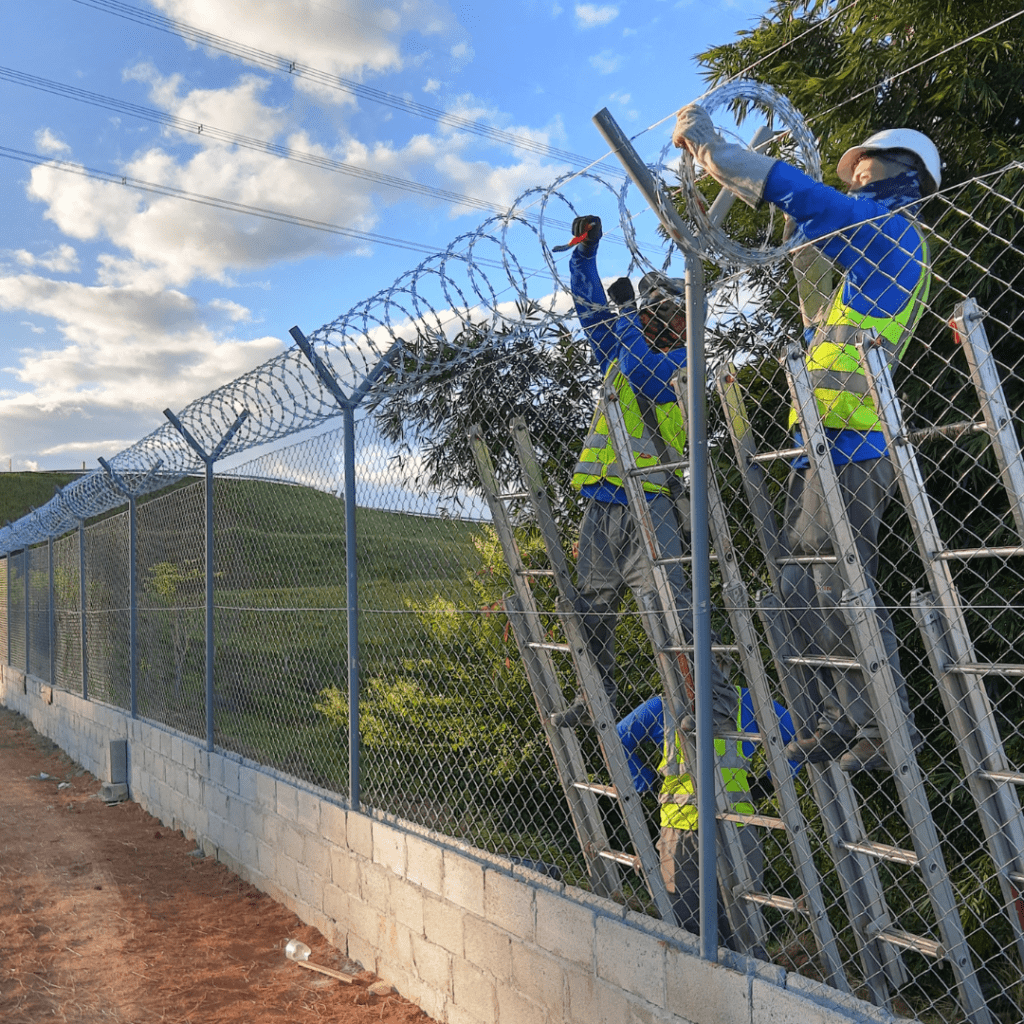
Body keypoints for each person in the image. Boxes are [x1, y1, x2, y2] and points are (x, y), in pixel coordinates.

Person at [673, 108, 938, 772]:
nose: (857, 177)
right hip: (823, 440)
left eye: (866, 167)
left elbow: (790, 189)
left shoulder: (891, 234)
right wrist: (783, 223)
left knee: (842, 585)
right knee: (804, 588)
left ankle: (881, 729)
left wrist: (710, 146)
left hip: (856, 443)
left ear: (900, 176)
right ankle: (840, 719)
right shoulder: (870, 255)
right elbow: (808, 272)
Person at [550, 214, 738, 732]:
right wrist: (584, 258)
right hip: (603, 502)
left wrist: (629, 313)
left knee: (670, 612)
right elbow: (592, 314)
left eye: (666, 312)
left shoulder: (683, 363)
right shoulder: (624, 344)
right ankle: (596, 698)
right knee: (591, 609)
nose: (659, 321)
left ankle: (711, 706)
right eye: (654, 313)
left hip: (650, 505)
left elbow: (640, 373)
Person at [617, 687, 796, 947]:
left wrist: (646, 781)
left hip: (688, 830)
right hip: (730, 828)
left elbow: (616, 738)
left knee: (690, 928)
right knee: (739, 926)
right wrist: (771, 782)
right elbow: (796, 732)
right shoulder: (745, 701)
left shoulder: (665, 707)